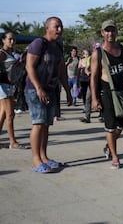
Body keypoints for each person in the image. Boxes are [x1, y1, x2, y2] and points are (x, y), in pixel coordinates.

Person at [90, 20, 123, 169]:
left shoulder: (121, 50)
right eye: (107, 30)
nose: (110, 33)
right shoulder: (98, 54)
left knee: (120, 127)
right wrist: (94, 99)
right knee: (111, 127)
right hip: (107, 93)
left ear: (116, 32)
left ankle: (108, 145)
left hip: (122, 92)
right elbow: (93, 77)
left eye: (112, 30)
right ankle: (115, 156)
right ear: (102, 33)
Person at [24, 17, 73, 173]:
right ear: (47, 28)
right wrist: (38, 88)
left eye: (61, 26)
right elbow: (29, 66)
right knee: (38, 124)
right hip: (35, 89)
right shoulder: (39, 43)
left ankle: (44, 157)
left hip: (51, 90)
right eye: (56, 26)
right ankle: (36, 160)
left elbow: (62, 72)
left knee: (46, 125)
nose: (59, 29)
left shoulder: (57, 47)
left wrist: (68, 92)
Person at [0, 31, 27, 149]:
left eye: (14, 39)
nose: (12, 41)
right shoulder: (2, 53)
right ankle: (13, 142)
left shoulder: (11, 53)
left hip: (10, 86)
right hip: (3, 86)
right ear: (3, 40)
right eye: (10, 39)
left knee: (3, 115)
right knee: (10, 115)